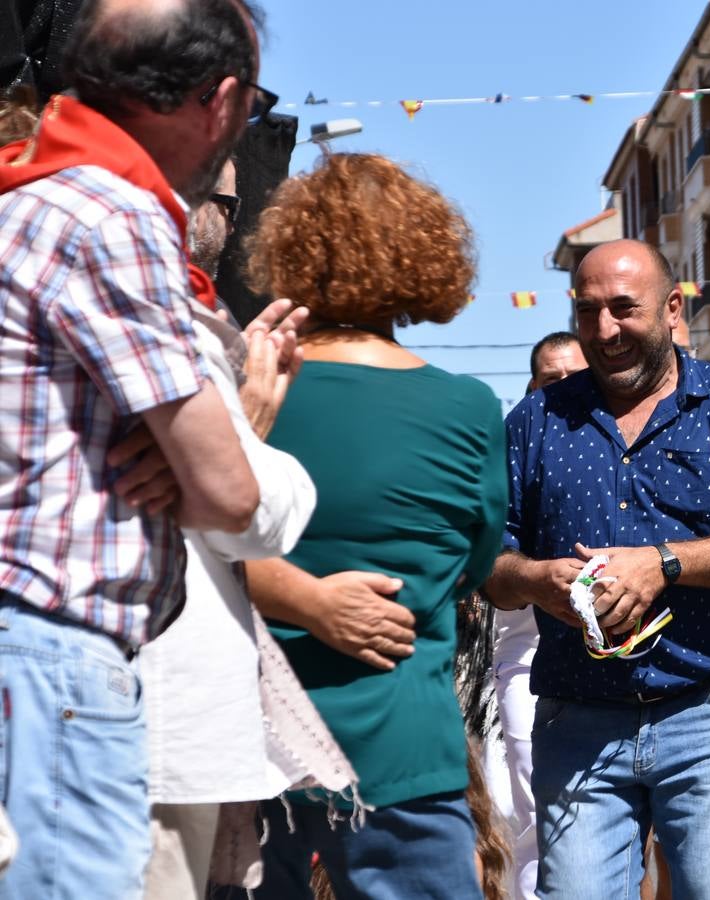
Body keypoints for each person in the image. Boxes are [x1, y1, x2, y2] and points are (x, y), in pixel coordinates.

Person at [0, 0, 267, 894]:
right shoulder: (114, 214)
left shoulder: (29, 192)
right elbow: (230, 492)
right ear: (220, 100)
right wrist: (213, 444)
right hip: (56, 659)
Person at [484, 238, 710, 899]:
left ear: (671, 309)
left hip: (707, 711)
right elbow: (489, 559)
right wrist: (536, 580)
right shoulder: (534, 421)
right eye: (587, 311)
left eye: (624, 309)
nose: (605, 331)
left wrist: (663, 564)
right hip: (576, 720)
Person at [235, 152, 504, 899]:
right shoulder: (468, 410)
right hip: (403, 741)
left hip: (255, 738)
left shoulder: (246, 389)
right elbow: (475, 565)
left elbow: (197, 541)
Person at [138, 160, 363, 898]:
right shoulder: (165, 318)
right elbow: (248, 512)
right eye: (224, 199)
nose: (228, 222)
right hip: (159, 717)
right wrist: (254, 430)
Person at [493, 330, 588, 900]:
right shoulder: (517, 445)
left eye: (578, 377)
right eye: (553, 381)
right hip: (527, 658)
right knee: (535, 814)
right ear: (532, 390)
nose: (568, 389)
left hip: (616, 668)